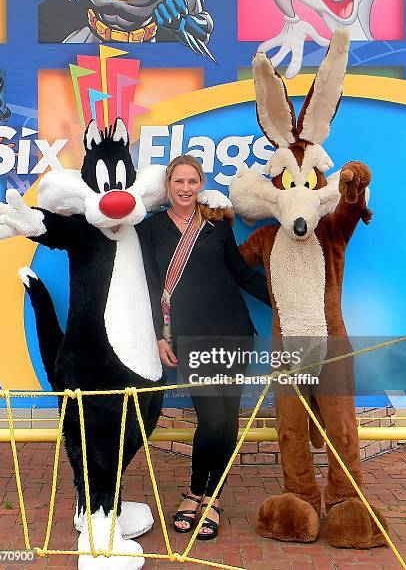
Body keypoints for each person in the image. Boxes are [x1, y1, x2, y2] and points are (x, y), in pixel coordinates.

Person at [137, 155, 271, 540]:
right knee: (211, 420)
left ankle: (208, 497)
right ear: (168, 185)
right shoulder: (151, 229)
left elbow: (242, 275)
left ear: (201, 184)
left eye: (192, 181)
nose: (184, 188)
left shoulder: (216, 227)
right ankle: (196, 490)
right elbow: (147, 284)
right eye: (178, 181)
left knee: (227, 420)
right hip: (190, 338)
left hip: (234, 333)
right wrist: (158, 336)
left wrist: (287, 303)